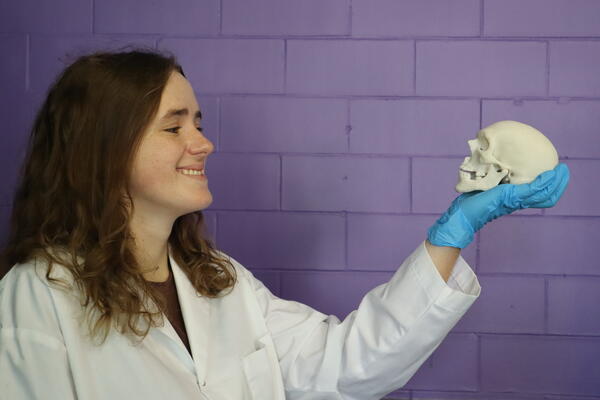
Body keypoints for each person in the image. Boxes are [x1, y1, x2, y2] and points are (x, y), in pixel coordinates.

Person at [0, 47, 570, 400]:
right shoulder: (35, 300)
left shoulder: (217, 282)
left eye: (197, 121)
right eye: (174, 127)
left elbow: (350, 365)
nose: (203, 141)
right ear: (103, 149)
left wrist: (453, 232)